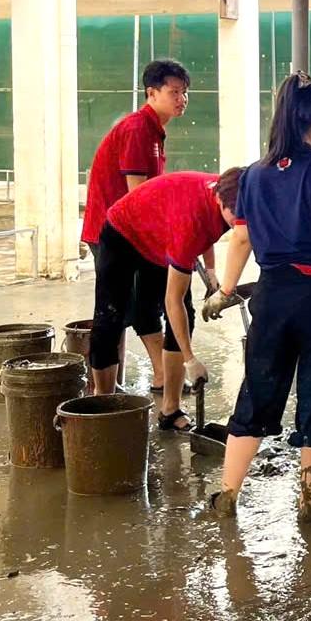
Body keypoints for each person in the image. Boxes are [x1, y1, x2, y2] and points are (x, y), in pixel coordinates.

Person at [203, 73, 311, 523]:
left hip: (272, 296)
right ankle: (310, 501)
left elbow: (240, 242)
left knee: (258, 391)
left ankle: (228, 493)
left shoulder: (253, 176)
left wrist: (224, 292)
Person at [90, 168, 243, 431]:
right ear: (218, 198)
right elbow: (173, 299)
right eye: (237, 216)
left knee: (187, 315)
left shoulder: (230, 194)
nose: (242, 222)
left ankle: (170, 410)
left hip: (159, 236)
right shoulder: (190, 224)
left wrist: (211, 269)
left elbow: (208, 229)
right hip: (123, 231)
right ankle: (103, 407)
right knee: (110, 315)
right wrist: (190, 359)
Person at [80, 58, 191, 392]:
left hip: (136, 233)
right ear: (151, 93)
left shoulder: (154, 131)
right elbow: (139, 196)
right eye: (174, 91)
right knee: (114, 311)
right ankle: (104, 394)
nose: (181, 99)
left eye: (185, 93)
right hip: (113, 232)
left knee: (149, 302)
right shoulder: (137, 129)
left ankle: (161, 374)